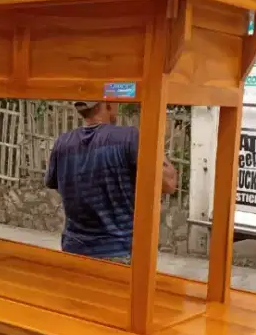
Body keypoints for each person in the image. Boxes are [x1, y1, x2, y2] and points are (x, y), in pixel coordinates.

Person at [45, 100, 177, 262]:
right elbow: (169, 183)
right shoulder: (129, 138)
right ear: (107, 104)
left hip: (74, 251)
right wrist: (152, 141)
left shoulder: (62, 144)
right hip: (118, 253)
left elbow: (57, 185)